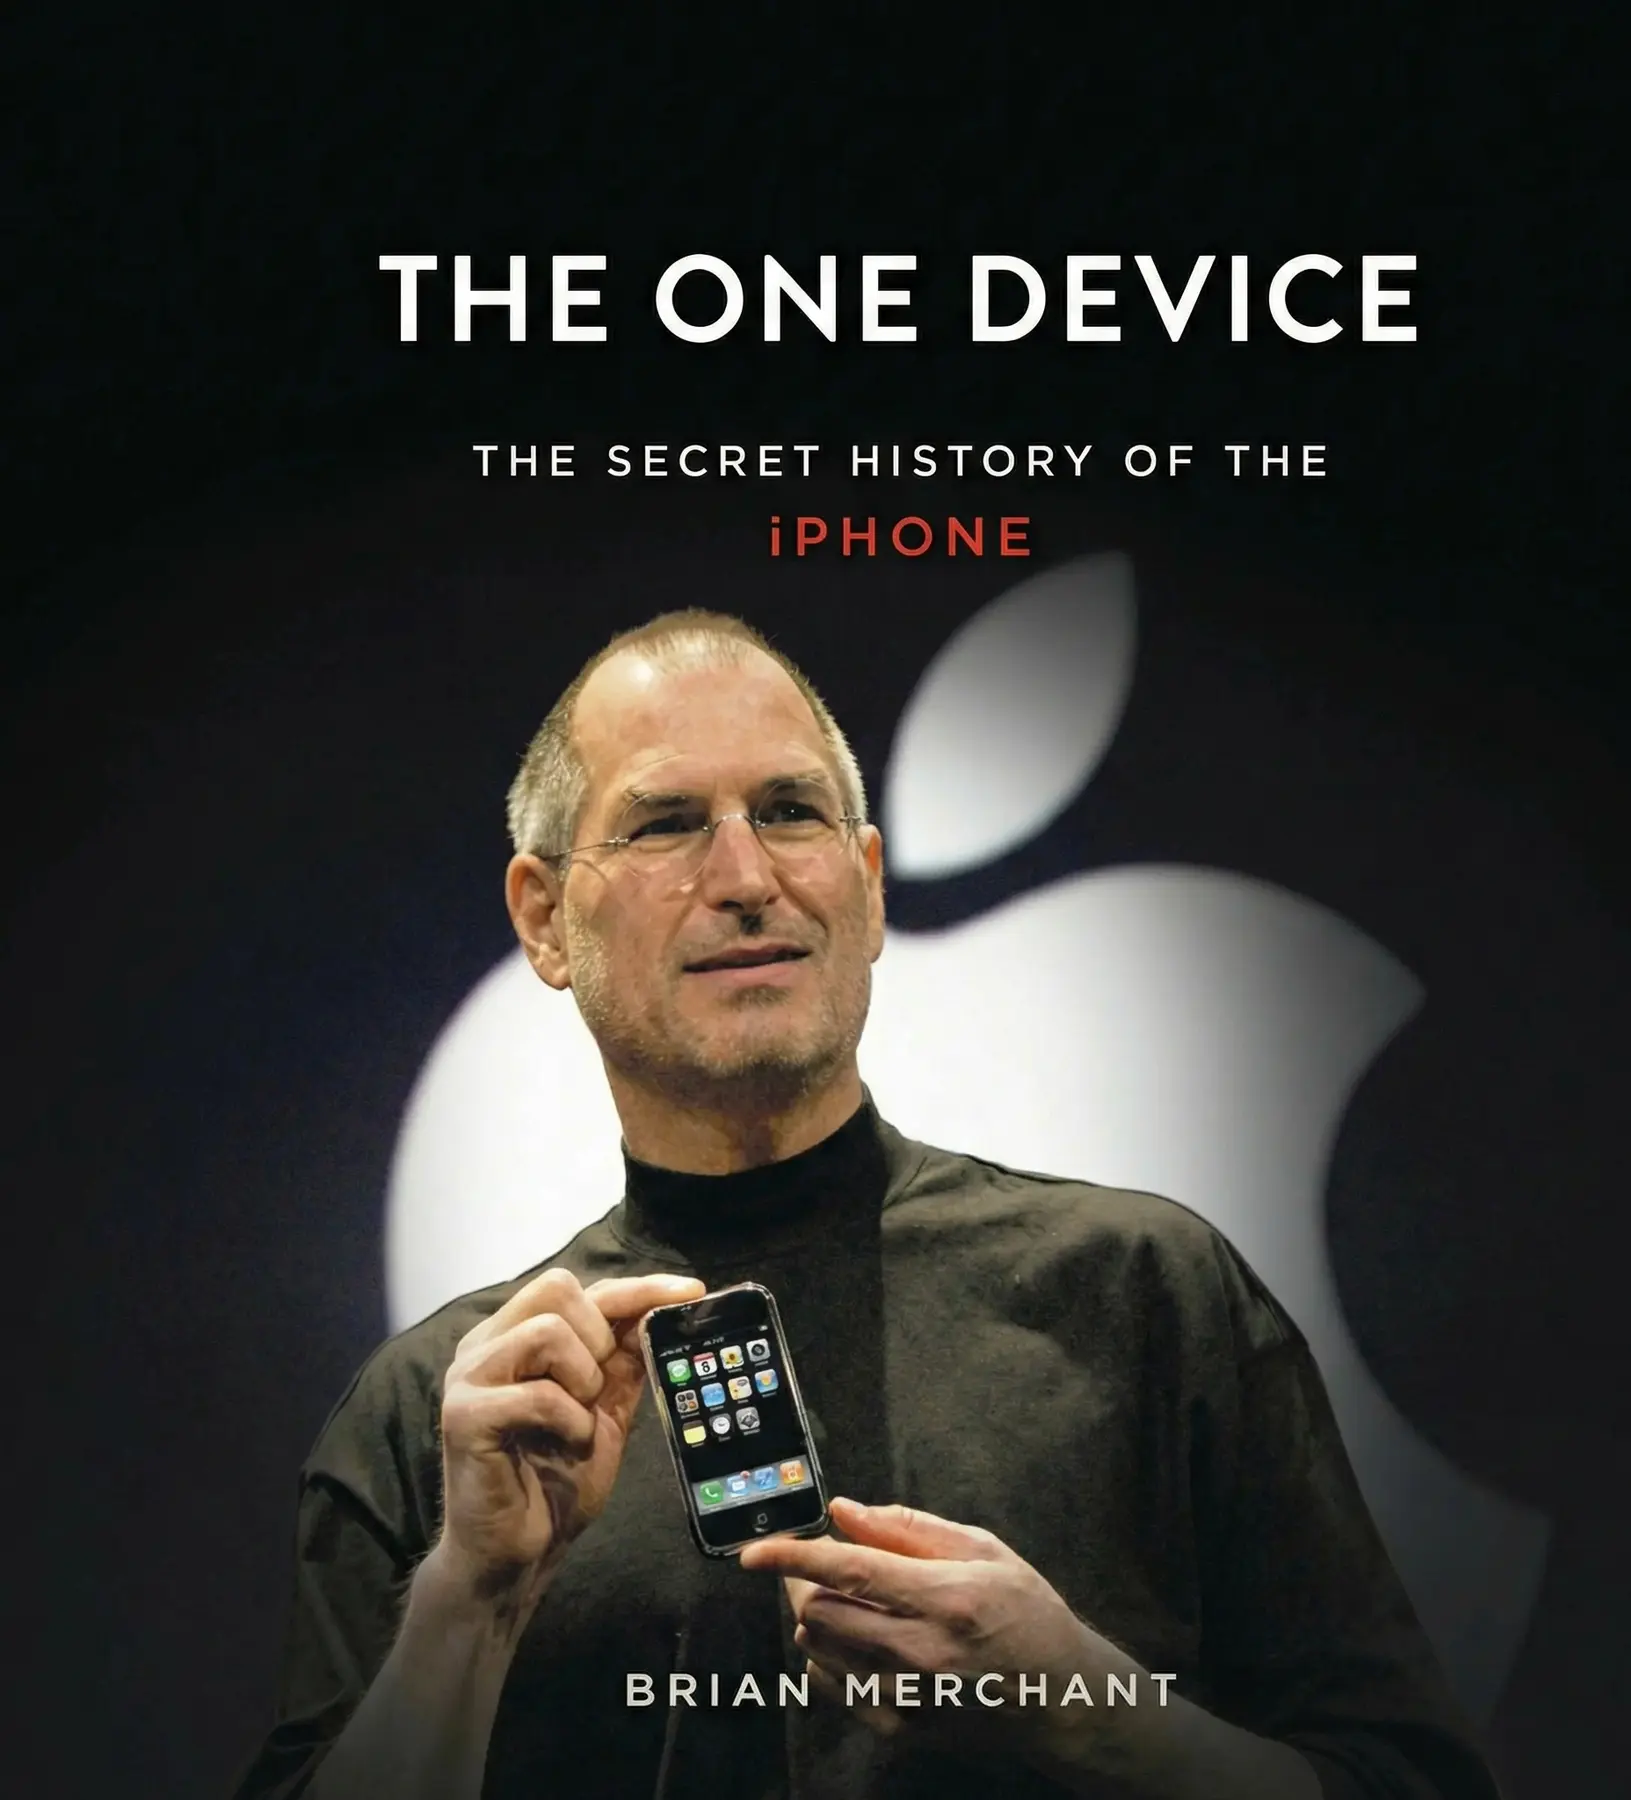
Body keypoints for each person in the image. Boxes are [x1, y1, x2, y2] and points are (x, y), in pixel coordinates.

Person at [233, 611, 1503, 1799]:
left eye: (791, 811)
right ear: (545, 918)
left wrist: (1093, 1710)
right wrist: (468, 1601)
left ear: (870, 883)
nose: (746, 876)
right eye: (667, 823)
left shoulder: (1144, 1291)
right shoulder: (452, 1419)